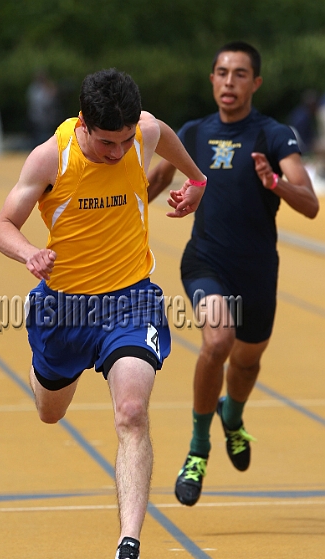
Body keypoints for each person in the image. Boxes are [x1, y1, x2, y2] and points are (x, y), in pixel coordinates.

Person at [0, 68, 207, 559]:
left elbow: (164, 136)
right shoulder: (51, 157)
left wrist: (197, 180)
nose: (118, 153)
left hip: (131, 300)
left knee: (132, 411)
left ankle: (128, 545)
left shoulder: (142, 134)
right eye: (108, 143)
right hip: (63, 310)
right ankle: (45, 374)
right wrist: (29, 255)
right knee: (50, 412)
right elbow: (1, 226)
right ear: (84, 123)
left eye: (126, 141)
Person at [147, 42, 319, 508]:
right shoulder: (193, 132)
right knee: (217, 342)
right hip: (206, 262)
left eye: (240, 74)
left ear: (255, 83)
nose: (229, 81)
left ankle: (233, 416)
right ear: (211, 79)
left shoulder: (273, 134)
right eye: (222, 72)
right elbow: (153, 183)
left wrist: (276, 183)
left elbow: (310, 202)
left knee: (246, 362)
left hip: (258, 271)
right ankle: (198, 449)